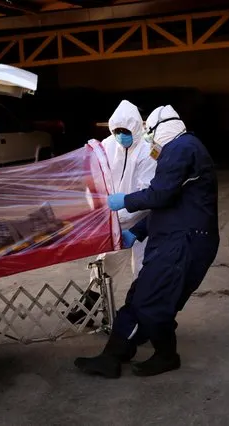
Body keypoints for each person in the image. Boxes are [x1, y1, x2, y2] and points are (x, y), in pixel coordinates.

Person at [74, 105, 220, 378]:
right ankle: (116, 354)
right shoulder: (183, 148)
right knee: (142, 296)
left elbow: (159, 196)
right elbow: (168, 206)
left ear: (161, 128)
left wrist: (124, 201)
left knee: (151, 300)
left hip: (185, 241)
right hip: (174, 237)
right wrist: (139, 231)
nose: (150, 140)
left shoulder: (180, 148)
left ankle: (165, 355)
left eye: (151, 133)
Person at [66, 100, 157, 325]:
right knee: (104, 265)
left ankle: (140, 318)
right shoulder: (107, 145)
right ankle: (89, 308)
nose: (121, 135)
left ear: (136, 127)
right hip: (114, 217)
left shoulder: (147, 151)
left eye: (125, 131)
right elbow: (93, 177)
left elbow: (148, 190)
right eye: (117, 130)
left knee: (144, 269)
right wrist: (96, 206)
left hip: (143, 221)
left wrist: (125, 205)